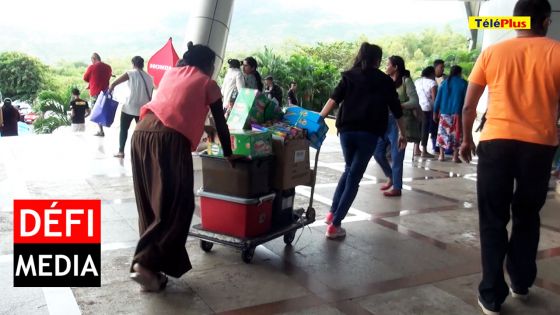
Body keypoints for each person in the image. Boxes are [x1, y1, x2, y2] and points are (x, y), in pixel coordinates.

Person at [460, 1, 560, 314]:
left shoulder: (492, 53)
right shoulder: (557, 52)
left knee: (492, 218)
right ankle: (520, 281)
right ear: (545, 21)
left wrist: (466, 140)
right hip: (539, 146)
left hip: (496, 143)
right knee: (528, 214)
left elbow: (469, 105)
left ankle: (491, 295)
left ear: (514, 22)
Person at [128, 42, 235, 292]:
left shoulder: (171, 74)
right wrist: (229, 155)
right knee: (178, 205)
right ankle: (143, 264)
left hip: (141, 133)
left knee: (151, 202)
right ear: (209, 65)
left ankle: (152, 273)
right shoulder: (208, 84)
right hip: (170, 138)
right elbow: (221, 123)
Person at [320, 42, 406, 239]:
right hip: (368, 133)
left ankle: (332, 213)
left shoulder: (349, 76)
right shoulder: (384, 81)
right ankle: (335, 225)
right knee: (354, 177)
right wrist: (403, 133)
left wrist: (317, 121)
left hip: (347, 131)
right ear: (377, 59)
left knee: (348, 170)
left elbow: (333, 100)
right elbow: (396, 108)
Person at [373, 55, 419, 197]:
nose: (386, 67)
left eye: (388, 64)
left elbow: (415, 102)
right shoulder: (386, 81)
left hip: (400, 122)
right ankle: (391, 176)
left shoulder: (406, 81)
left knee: (396, 155)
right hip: (385, 121)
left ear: (396, 67)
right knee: (377, 152)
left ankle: (397, 187)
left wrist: (399, 105)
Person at [108, 56, 154, 158]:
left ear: (133, 64)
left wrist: (109, 92)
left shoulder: (130, 73)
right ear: (142, 65)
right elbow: (150, 95)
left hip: (129, 107)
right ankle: (144, 152)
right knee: (142, 132)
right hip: (143, 109)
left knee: (124, 129)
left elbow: (113, 83)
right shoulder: (150, 78)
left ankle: (121, 151)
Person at [434, 65, 467, 163]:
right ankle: (455, 156)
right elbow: (466, 100)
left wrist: (435, 112)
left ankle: (441, 155)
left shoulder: (444, 83)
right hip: (457, 113)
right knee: (456, 134)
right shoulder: (463, 83)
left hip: (444, 113)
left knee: (443, 134)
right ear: (459, 73)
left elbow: (437, 100)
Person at [83, 53, 112, 137]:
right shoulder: (108, 67)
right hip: (106, 92)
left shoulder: (92, 67)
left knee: (96, 111)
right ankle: (102, 128)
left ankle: (101, 131)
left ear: (94, 58)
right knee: (103, 110)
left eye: (92, 60)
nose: (91, 62)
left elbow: (85, 78)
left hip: (95, 92)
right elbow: (108, 76)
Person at [415, 66, 438, 157]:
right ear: (431, 74)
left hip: (417, 108)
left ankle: (416, 149)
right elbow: (434, 98)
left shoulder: (417, 81)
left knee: (418, 129)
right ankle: (424, 150)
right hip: (427, 109)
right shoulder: (432, 83)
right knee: (425, 130)